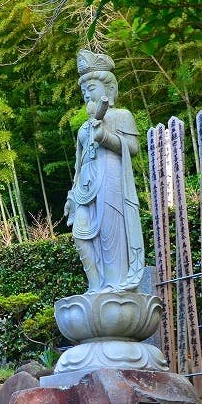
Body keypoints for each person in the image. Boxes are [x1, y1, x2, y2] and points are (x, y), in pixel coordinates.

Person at [65, 49, 145, 294]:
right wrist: (71, 195)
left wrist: (105, 136)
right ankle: (95, 285)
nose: (87, 93)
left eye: (91, 87)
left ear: (109, 90)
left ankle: (115, 284)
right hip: (85, 187)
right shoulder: (83, 128)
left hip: (110, 178)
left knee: (111, 234)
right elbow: (78, 167)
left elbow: (132, 148)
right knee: (81, 235)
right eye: (83, 89)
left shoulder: (121, 116)